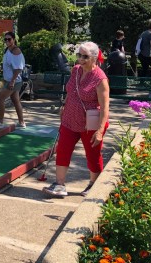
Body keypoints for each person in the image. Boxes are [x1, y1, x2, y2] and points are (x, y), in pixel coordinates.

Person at [43, 41, 110, 198]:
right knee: (63, 149)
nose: (81, 59)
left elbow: (105, 107)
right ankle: (59, 184)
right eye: (79, 55)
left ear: (94, 57)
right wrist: (64, 106)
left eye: (85, 56)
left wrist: (100, 131)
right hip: (69, 119)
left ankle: (93, 183)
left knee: (92, 154)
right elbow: (72, 91)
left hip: (90, 123)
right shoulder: (76, 70)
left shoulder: (101, 79)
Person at [0, 31, 26, 129]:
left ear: (14, 40)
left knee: (0, 98)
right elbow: (7, 64)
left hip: (14, 81)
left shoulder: (16, 51)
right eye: (5, 39)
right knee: (15, 100)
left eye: (9, 39)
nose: (7, 41)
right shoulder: (7, 50)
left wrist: (12, 81)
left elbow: (18, 68)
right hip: (10, 80)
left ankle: (0, 122)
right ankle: (22, 122)